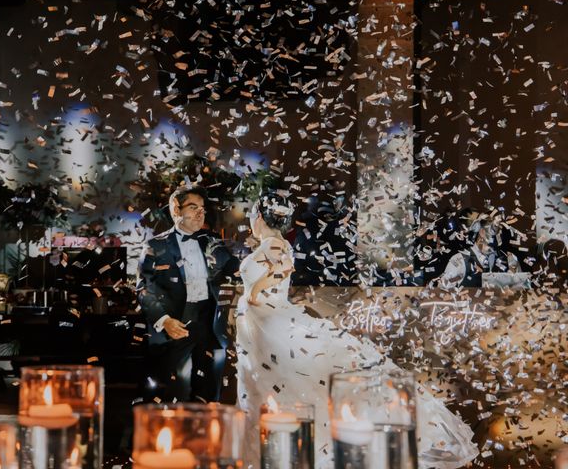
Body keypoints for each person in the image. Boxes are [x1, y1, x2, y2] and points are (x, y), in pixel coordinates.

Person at [235, 191, 478, 469]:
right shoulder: (272, 243)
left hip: (270, 320)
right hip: (260, 324)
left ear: (258, 217)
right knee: (269, 384)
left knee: (282, 383)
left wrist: (253, 292)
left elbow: (283, 268)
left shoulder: (275, 245)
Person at [136, 185, 239, 402]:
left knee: (209, 390)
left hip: (208, 322)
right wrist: (164, 321)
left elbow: (237, 270)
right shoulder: (155, 245)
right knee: (168, 389)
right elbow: (144, 289)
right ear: (176, 209)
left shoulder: (212, 242)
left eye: (202, 208)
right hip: (175, 322)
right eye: (193, 207)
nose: (201, 213)